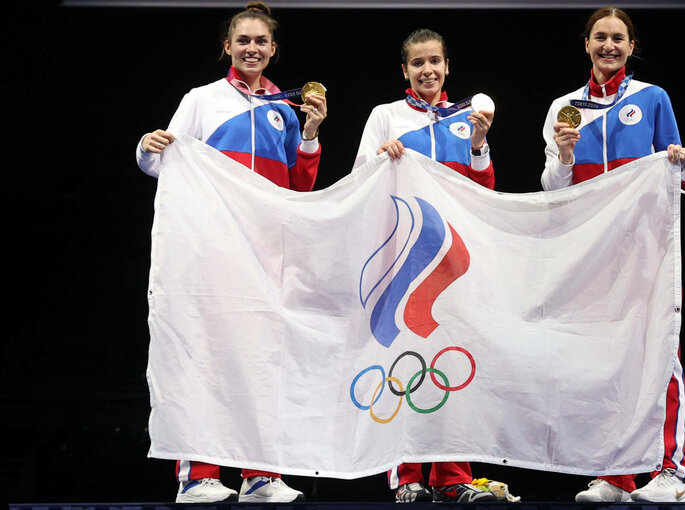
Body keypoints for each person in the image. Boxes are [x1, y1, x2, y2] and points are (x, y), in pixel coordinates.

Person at [135, 1, 327, 504]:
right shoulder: (202, 99)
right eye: (243, 40)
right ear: (227, 47)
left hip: (266, 252)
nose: (252, 48)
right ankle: (197, 476)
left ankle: (260, 475)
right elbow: (166, 162)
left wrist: (309, 135)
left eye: (261, 41)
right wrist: (147, 147)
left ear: (273, 50)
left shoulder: (286, 109)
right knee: (205, 354)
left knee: (265, 359)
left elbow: (298, 188)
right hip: (213, 249)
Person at [540, 6, 685, 504]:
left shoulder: (651, 98)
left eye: (618, 39)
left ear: (631, 47)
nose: (609, 46)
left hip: (646, 248)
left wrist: (681, 161)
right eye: (600, 37)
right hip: (591, 252)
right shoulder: (563, 108)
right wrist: (565, 154)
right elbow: (552, 188)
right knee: (602, 361)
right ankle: (617, 474)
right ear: (585, 43)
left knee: (659, 351)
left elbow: (684, 176)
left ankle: (674, 473)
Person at [353, 28, 497, 504]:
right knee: (403, 363)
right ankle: (407, 476)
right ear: (405, 71)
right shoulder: (385, 116)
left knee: (456, 364)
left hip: (456, 265)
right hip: (404, 263)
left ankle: (453, 476)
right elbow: (359, 181)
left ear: (448, 66)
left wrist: (479, 143)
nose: (427, 70)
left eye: (435, 61)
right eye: (418, 63)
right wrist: (380, 159)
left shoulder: (467, 117)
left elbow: (485, 193)